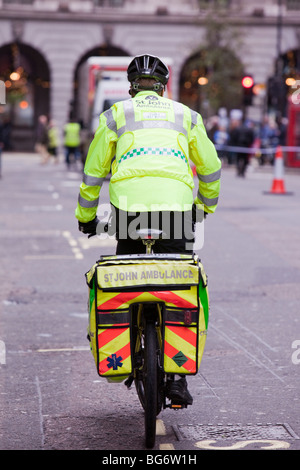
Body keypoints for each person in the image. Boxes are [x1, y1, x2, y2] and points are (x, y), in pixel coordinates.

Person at [75, 54, 221, 405]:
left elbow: (93, 173)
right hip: (176, 208)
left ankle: (125, 355)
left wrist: (86, 217)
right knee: (180, 284)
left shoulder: (114, 115)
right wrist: (203, 207)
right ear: (164, 86)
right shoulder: (187, 116)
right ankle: (179, 379)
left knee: (128, 278)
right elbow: (211, 168)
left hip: (129, 208)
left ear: (131, 86)